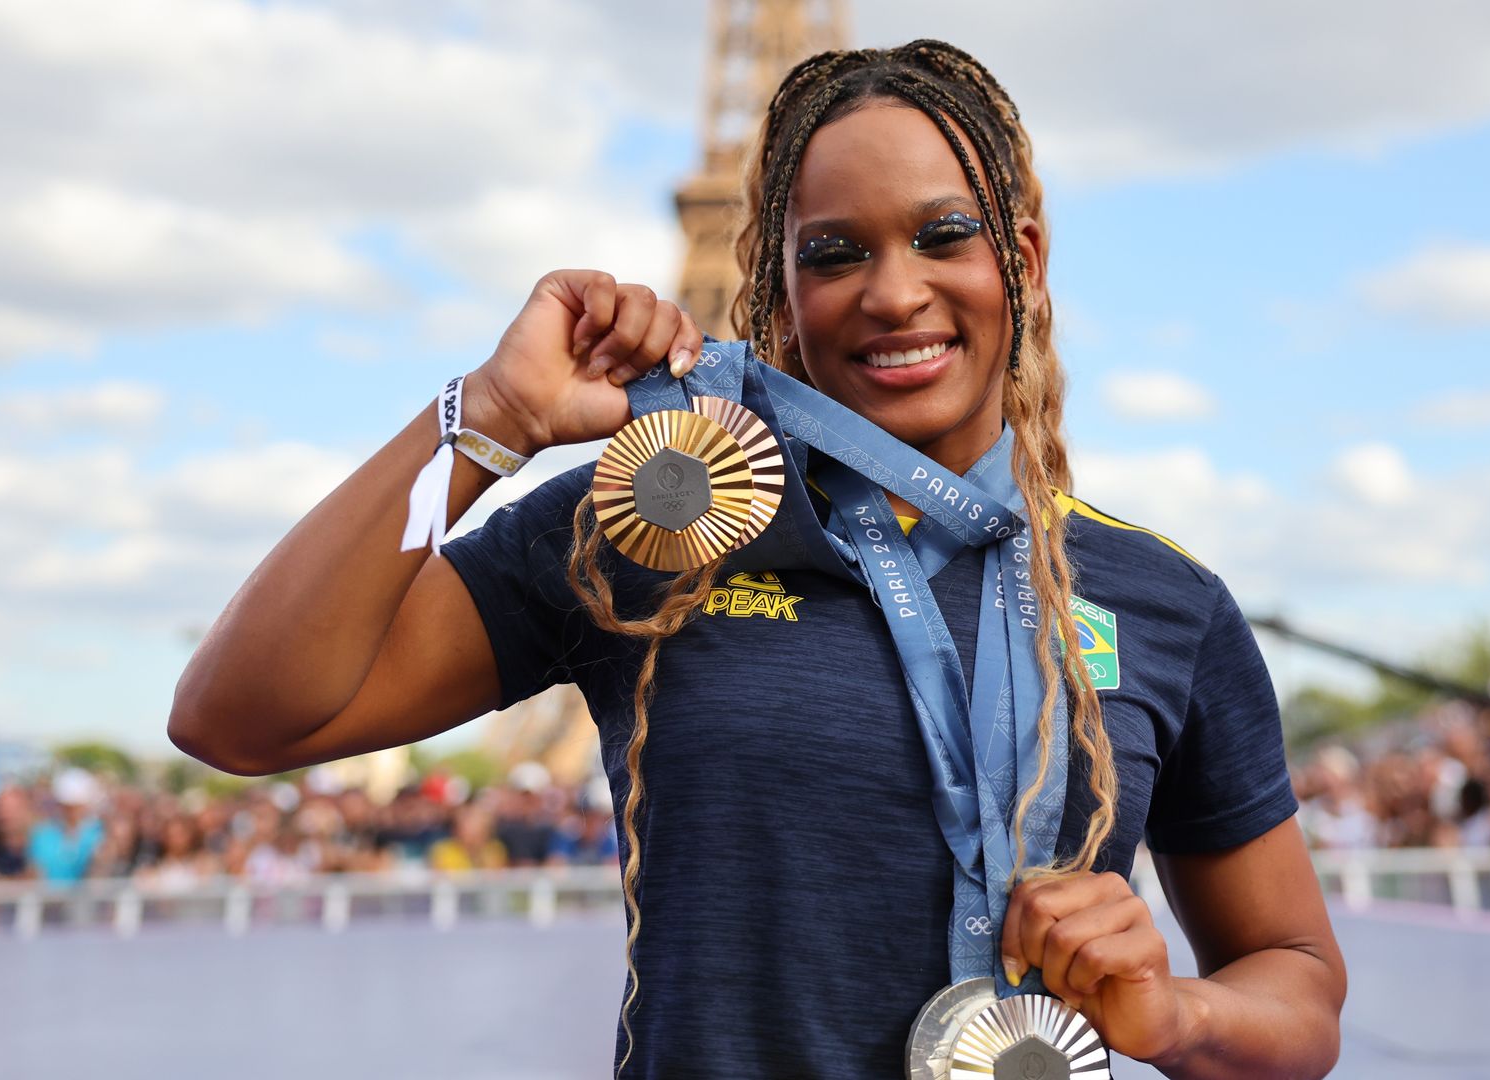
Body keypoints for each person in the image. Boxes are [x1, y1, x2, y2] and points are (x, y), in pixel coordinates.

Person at [170, 40, 1344, 1078]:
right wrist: (492, 416)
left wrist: (1178, 1014)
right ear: (774, 292)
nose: (895, 293)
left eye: (945, 236)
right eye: (833, 254)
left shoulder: (1164, 601)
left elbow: (1294, 978)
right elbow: (241, 717)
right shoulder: (645, 527)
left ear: (1022, 260)